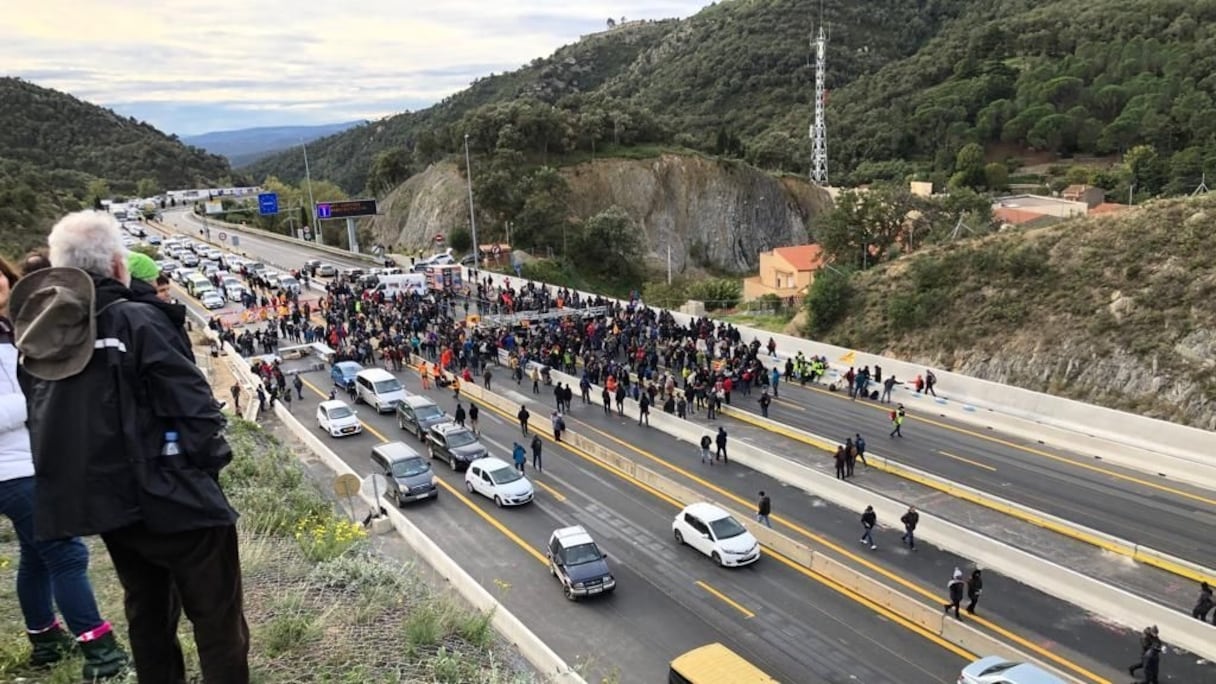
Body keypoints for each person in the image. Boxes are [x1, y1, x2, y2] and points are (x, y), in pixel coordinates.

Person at [12, 211, 250, 682]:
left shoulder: (45, 331)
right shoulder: (138, 320)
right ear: (119, 266)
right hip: (178, 498)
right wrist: (207, 465)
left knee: (147, 616)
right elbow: (195, 408)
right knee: (217, 620)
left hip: (107, 504)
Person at [0, 256, 129, 679]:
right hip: (13, 468)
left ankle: (45, 640)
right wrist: (45, 396)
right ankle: (101, 653)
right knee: (65, 552)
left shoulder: (14, 329)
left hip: (29, 459)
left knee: (36, 557)